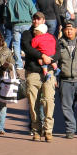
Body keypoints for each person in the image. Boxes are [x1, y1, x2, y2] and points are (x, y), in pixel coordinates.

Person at [22, 14, 58, 142]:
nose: (35, 21)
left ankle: (48, 130)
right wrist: (43, 55)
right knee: (33, 103)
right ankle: (36, 130)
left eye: (38, 19)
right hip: (33, 72)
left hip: (48, 72)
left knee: (49, 101)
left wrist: (52, 59)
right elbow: (27, 48)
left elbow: (57, 50)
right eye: (34, 19)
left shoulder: (51, 36)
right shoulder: (27, 34)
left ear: (43, 21)